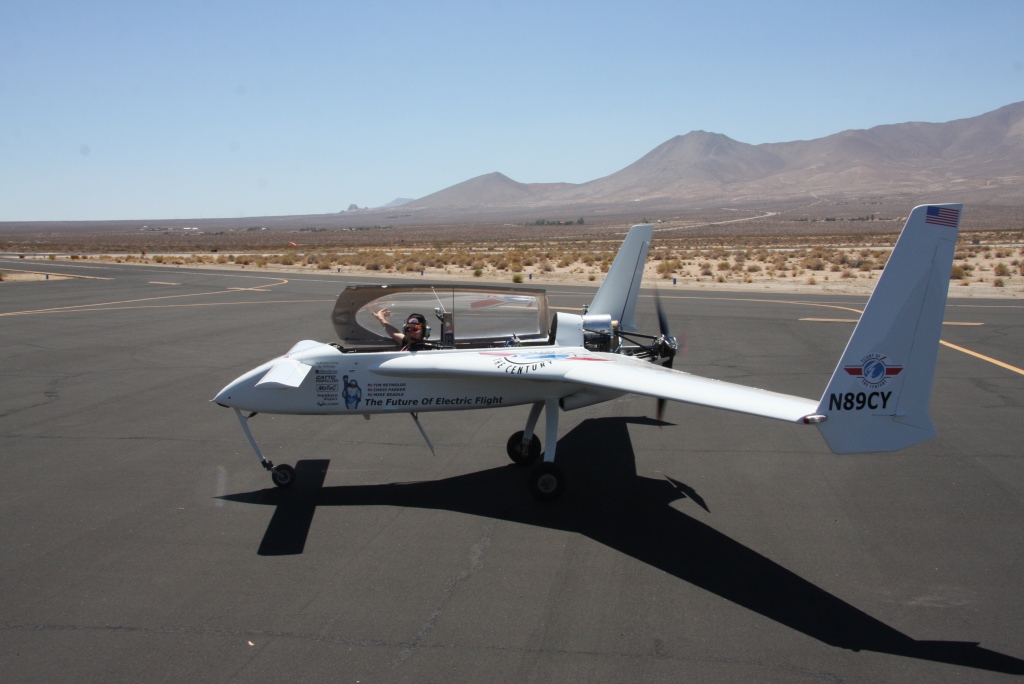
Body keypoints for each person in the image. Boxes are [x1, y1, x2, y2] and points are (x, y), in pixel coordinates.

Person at [372, 309, 436, 351]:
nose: (411, 333)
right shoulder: (407, 342)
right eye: (409, 329)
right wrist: (381, 317)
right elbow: (393, 332)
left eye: (416, 330)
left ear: (424, 332)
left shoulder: (429, 349)